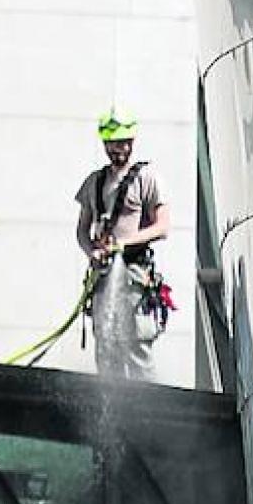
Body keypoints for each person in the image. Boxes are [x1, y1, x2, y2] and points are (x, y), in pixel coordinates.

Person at [74, 108, 174, 380]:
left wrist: (124, 243)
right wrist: (91, 251)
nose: (122, 148)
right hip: (103, 274)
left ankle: (147, 405)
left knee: (137, 343)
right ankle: (110, 398)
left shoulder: (147, 179)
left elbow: (162, 227)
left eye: (126, 142)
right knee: (107, 344)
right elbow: (82, 229)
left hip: (134, 274)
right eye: (116, 143)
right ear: (105, 144)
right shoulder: (94, 182)